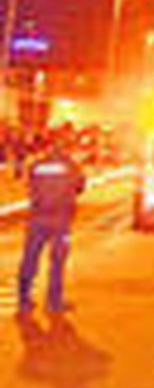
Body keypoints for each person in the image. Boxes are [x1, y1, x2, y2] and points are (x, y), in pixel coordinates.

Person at [16, 135, 86, 314]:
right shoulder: (71, 166)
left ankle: (24, 300)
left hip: (37, 217)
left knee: (30, 258)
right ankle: (54, 302)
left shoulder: (36, 165)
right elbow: (80, 187)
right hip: (61, 219)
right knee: (57, 262)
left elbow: (29, 185)